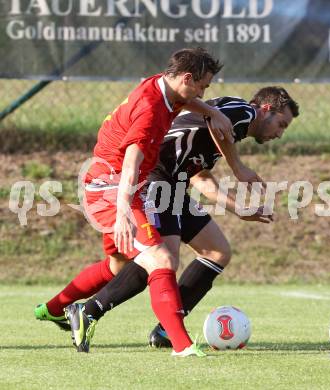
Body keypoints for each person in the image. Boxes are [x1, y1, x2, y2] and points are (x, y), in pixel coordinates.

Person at [35, 86, 299, 351]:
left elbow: (201, 177)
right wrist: (238, 167)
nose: (280, 133)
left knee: (217, 251)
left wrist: (238, 209)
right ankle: (90, 312)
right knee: (162, 258)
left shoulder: (227, 132)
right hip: (155, 178)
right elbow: (217, 120)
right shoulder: (244, 112)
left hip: (174, 185)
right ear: (265, 110)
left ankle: (163, 329)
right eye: (281, 124)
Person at [34, 47, 232, 357]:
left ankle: (56, 308)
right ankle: (182, 346)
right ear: (187, 77)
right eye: (203, 85)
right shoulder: (151, 109)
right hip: (111, 187)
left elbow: (184, 100)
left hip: (118, 182)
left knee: (119, 265)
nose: (204, 92)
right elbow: (132, 159)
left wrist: (211, 111)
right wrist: (125, 210)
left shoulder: (163, 86)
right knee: (160, 259)